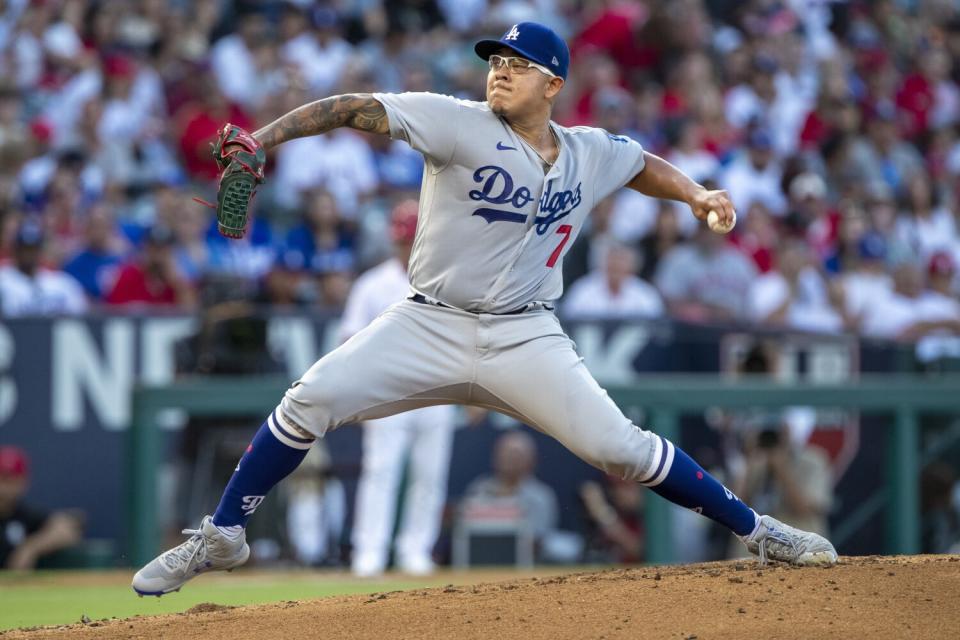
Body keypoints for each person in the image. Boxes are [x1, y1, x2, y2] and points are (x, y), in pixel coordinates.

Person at [133, 21, 836, 597]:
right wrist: (266, 139)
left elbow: (640, 161)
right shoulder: (458, 122)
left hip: (527, 333)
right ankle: (222, 536)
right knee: (308, 398)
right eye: (496, 59)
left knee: (620, 447)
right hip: (428, 320)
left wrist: (696, 195)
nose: (500, 70)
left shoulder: (588, 151)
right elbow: (353, 107)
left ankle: (758, 531)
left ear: (554, 83)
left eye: (519, 63)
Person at [345, 200, 456, 577]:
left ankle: (416, 550)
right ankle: (369, 552)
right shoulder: (372, 284)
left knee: (430, 476)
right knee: (381, 472)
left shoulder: (446, 278)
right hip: (386, 394)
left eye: (412, 239)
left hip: (436, 389)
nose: (406, 247)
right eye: (402, 240)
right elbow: (350, 344)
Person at [460, 431, 558, 557]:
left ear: (531, 460)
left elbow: (539, 538)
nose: (509, 459)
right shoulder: (479, 488)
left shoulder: (541, 496)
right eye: (504, 453)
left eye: (516, 454)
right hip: (480, 559)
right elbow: (464, 530)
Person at [0, 446, 83, 570]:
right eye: (3, 479)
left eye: (13, 480)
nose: (5, 488)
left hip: (14, 586)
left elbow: (67, 530)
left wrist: (29, 548)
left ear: (24, 482)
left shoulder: (25, 515)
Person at [0, 220, 88, 317]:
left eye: (33, 249)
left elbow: (79, 314)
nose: (29, 254)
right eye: (24, 249)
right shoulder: (3, 279)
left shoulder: (61, 282)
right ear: (15, 250)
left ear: (40, 250)